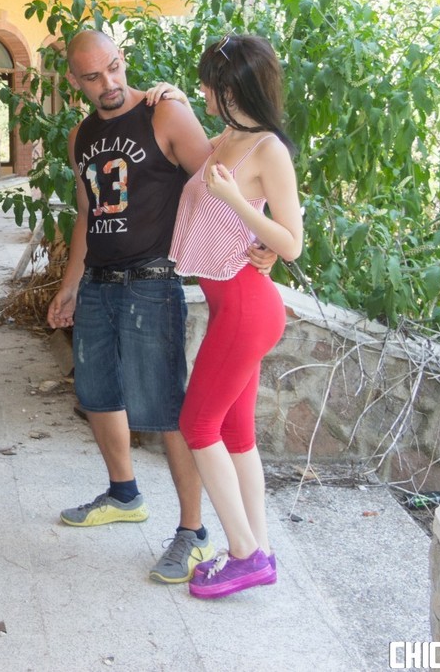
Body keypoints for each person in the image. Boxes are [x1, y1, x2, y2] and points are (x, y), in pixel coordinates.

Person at [46, 28, 272, 584]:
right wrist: (71, 283)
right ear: (75, 81)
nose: (110, 83)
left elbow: (222, 178)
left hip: (152, 280)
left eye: (115, 68)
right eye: (94, 77)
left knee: (170, 409)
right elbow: (87, 213)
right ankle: (124, 494)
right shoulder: (79, 136)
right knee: (96, 393)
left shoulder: (163, 112)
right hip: (98, 281)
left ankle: (192, 533)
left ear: (122, 61)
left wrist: (264, 236)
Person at [152, 33, 304, 599]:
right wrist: (164, 94)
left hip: (246, 304)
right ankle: (258, 549)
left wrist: (239, 203)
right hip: (229, 304)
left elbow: (290, 243)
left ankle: (242, 553)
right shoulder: (226, 140)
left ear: (231, 85)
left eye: (207, 83)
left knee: (197, 426)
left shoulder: (267, 150)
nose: (201, 90)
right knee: (237, 435)